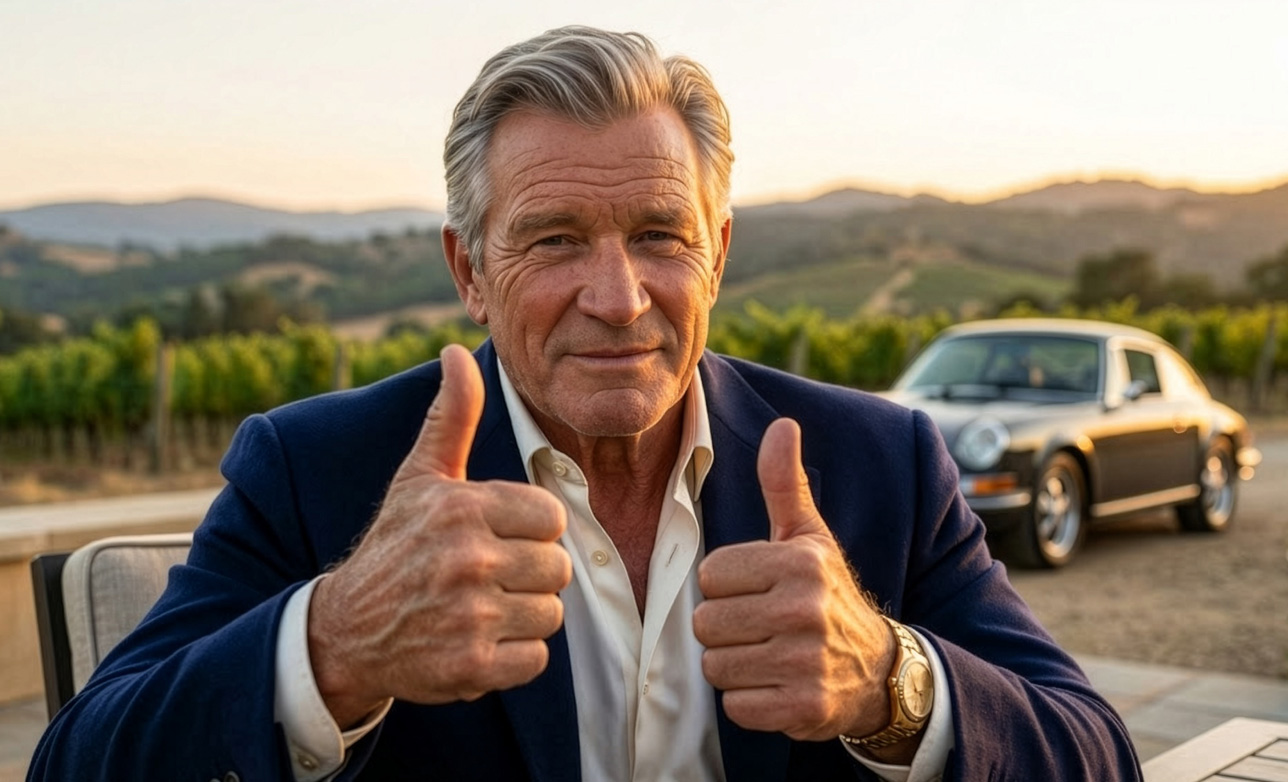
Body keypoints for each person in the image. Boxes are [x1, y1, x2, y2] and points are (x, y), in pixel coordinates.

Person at [28, 26, 1141, 782]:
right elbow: (77, 760)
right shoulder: (313, 466)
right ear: (469, 268)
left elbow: (1098, 750)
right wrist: (334, 643)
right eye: (555, 240)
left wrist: (890, 678)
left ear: (717, 253)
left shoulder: (879, 461)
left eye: (660, 235)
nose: (617, 299)